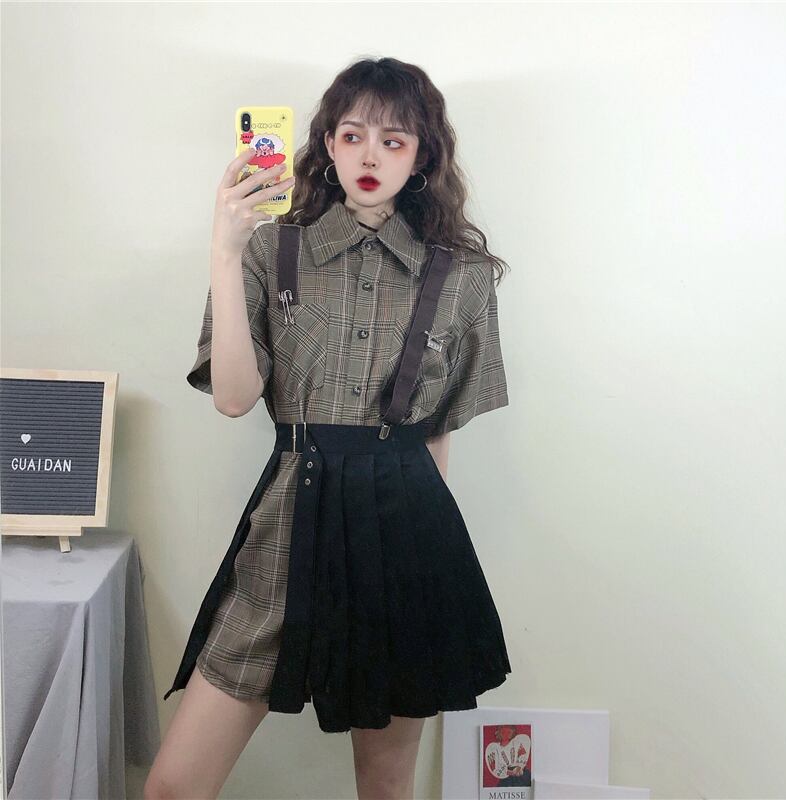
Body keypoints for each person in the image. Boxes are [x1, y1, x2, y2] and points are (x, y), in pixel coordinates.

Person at [145, 56, 512, 800]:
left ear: (422, 158)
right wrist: (223, 247)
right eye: (353, 135)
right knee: (173, 788)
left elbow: (436, 431)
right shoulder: (270, 248)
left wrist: (423, 561)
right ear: (328, 145)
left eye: (394, 140)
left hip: (404, 527)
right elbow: (234, 399)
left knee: (385, 789)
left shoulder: (462, 275)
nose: (370, 155)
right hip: (293, 511)